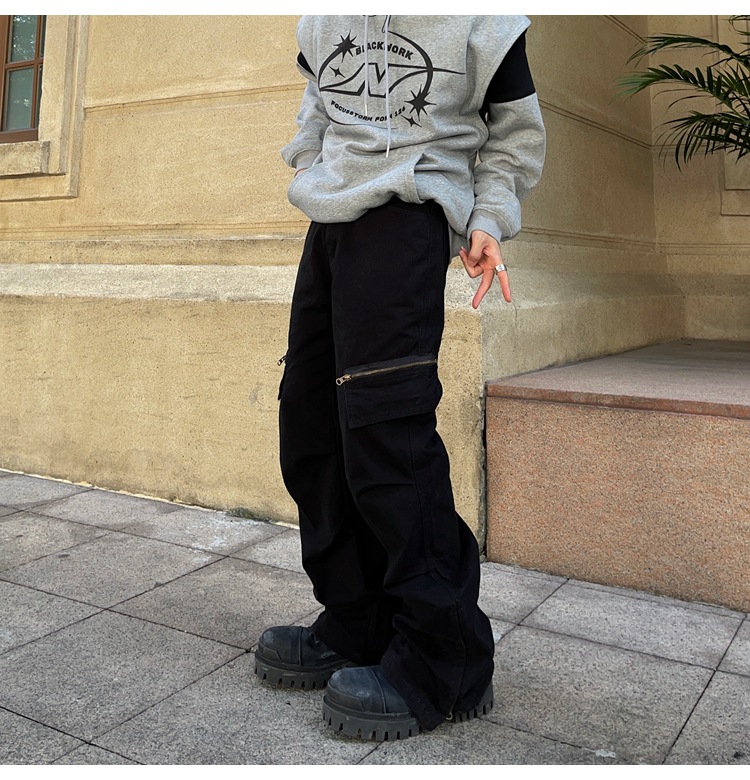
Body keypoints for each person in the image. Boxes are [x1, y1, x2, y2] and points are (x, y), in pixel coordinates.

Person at [255, 15, 546, 741]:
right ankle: (359, 620)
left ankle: (446, 658)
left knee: (387, 435)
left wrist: (487, 216)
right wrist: (310, 166)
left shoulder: (485, 22)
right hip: (331, 224)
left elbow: (515, 132)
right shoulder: (323, 19)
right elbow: (318, 104)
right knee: (312, 425)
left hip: (407, 216)